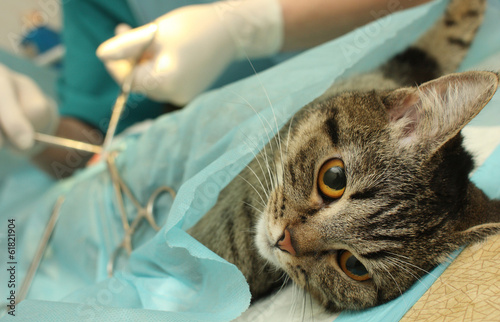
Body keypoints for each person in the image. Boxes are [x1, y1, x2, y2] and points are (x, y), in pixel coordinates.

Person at [0, 0, 430, 178]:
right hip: (274, 167)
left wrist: (250, 25)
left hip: (431, 86)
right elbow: (88, 146)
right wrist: (37, 131)